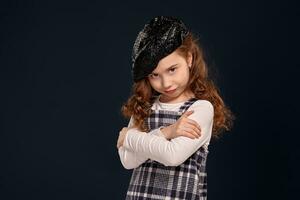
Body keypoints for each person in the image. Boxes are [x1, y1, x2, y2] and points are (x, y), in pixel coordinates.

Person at [116, 16, 235, 200]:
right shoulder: (145, 107)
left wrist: (129, 137)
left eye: (172, 69)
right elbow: (127, 160)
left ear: (189, 58)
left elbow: (172, 156)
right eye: (155, 75)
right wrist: (167, 132)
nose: (166, 83)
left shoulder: (201, 108)